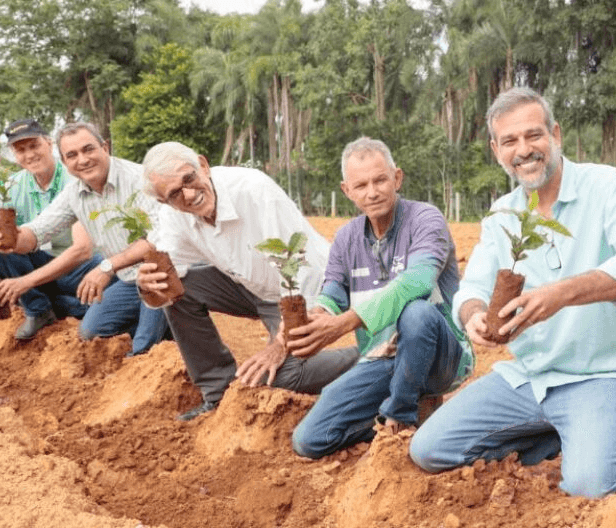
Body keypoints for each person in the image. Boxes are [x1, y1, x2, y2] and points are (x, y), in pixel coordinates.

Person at [409, 87, 616, 498]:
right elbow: (472, 287)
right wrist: (473, 314)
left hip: (603, 374)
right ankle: (568, 435)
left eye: (534, 135)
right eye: (510, 141)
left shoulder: (607, 187)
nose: (524, 150)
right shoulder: (502, 215)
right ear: (497, 150)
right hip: (529, 378)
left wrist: (559, 294)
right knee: (430, 449)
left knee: (589, 486)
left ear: (556, 134)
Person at [136, 142, 359, 421]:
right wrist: (148, 285)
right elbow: (165, 282)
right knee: (182, 289)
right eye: (175, 194)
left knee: (283, 373)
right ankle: (217, 393)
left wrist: (278, 345)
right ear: (163, 202)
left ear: (203, 166)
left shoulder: (253, 190)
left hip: (304, 288)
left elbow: (303, 270)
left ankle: (369, 359)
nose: (190, 194)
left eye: (189, 179)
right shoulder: (173, 216)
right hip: (250, 286)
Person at [289, 137, 474, 458]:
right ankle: (416, 414)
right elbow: (333, 293)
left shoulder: (425, 219)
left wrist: (345, 323)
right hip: (382, 358)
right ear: (346, 190)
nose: (372, 192)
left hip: (441, 354)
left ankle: (400, 416)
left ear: (396, 178)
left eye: (380, 180)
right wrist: (317, 316)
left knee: (417, 312)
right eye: (361, 185)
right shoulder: (347, 237)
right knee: (310, 439)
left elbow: (418, 281)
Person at [3, 121, 166, 355]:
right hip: (128, 280)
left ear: (105, 148)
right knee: (90, 331)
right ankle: (156, 322)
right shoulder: (75, 192)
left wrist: (107, 267)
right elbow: (38, 231)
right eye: (72, 155)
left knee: (143, 348)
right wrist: (11, 239)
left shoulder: (138, 179)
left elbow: (158, 240)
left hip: (160, 270)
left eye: (88, 149)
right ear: (66, 161)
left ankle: (152, 339)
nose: (82, 160)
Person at [0, 119, 102, 340]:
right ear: (13, 155)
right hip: (43, 267)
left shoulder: (74, 177)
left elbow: (83, 250)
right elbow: (13, 242)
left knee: (90, 301)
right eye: (21, 150)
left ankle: (62, 306)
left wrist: (26, 282)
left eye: (34, 145)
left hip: (82, 268)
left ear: (48, 143)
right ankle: (39, 310)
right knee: (3, 248)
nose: (30, 155)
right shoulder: (11, 187)